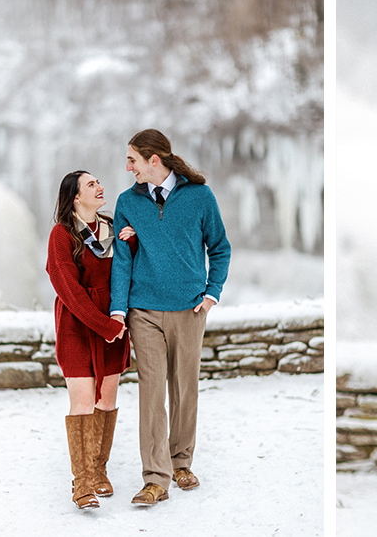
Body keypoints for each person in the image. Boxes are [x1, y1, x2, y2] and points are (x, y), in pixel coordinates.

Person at [110, 128, 231, 507]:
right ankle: (155, 478)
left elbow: (220, 248)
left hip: (189, 309)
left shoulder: (199, 196)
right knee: (151, 392)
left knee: (184, 388)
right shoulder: (127, 202)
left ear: (154, 161)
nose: (127, 167)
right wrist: (119, 309)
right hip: (143, 311)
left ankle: (181, 463)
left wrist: (212, 294)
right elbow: (122, 261)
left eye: (133, 160)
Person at [46, 170, 136, 509]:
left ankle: (99, 470)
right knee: (83, 400)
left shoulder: (112, 228)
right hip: (78, 326)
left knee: (107, 397)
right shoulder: (62, 235)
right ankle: (82, 484)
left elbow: (128, 271)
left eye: (99, 181)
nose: (100, 187)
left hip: (112, 323)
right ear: (74, 198)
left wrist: (132, 243)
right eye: (91, 184)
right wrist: (104, 326)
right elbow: (69, 290)